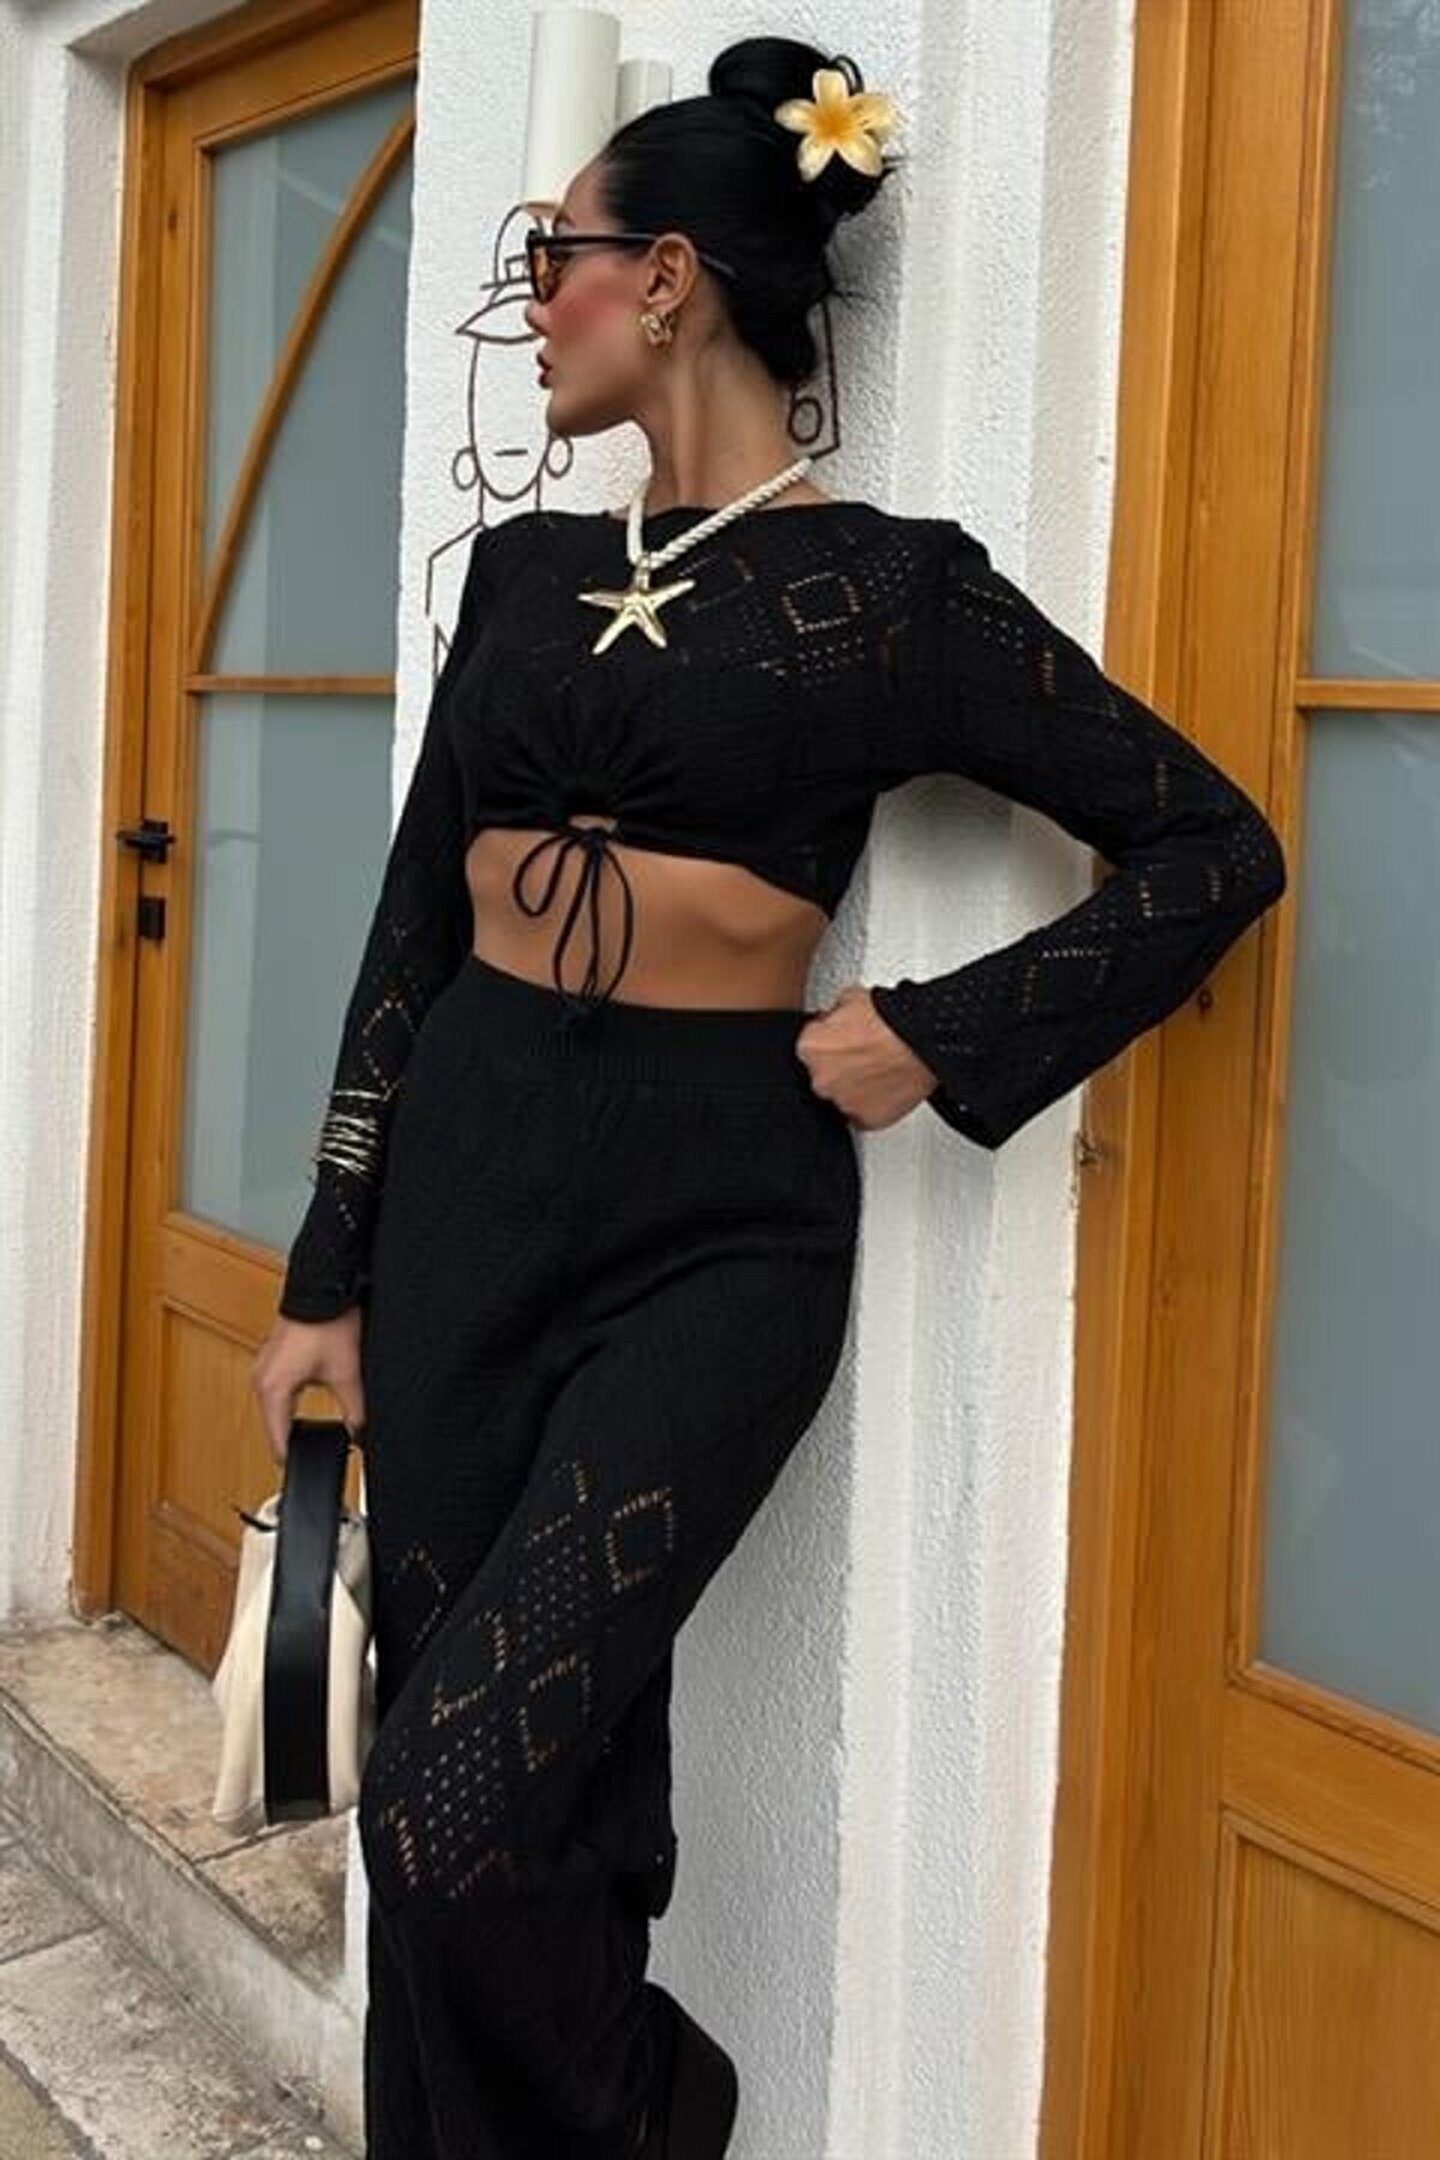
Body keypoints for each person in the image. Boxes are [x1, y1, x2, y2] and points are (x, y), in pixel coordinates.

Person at [251, 33, 1286, 2160]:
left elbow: (1212, 845)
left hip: (715, 1231)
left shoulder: (887, 593)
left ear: (674, 280)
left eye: (557, 255)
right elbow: (409, 934)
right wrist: (324, 1269)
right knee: (487, 1802)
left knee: (453, 1806)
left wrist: (945, 1032)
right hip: (462, 1196)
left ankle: (657, 2114)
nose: (533, 298)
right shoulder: (518, 580)